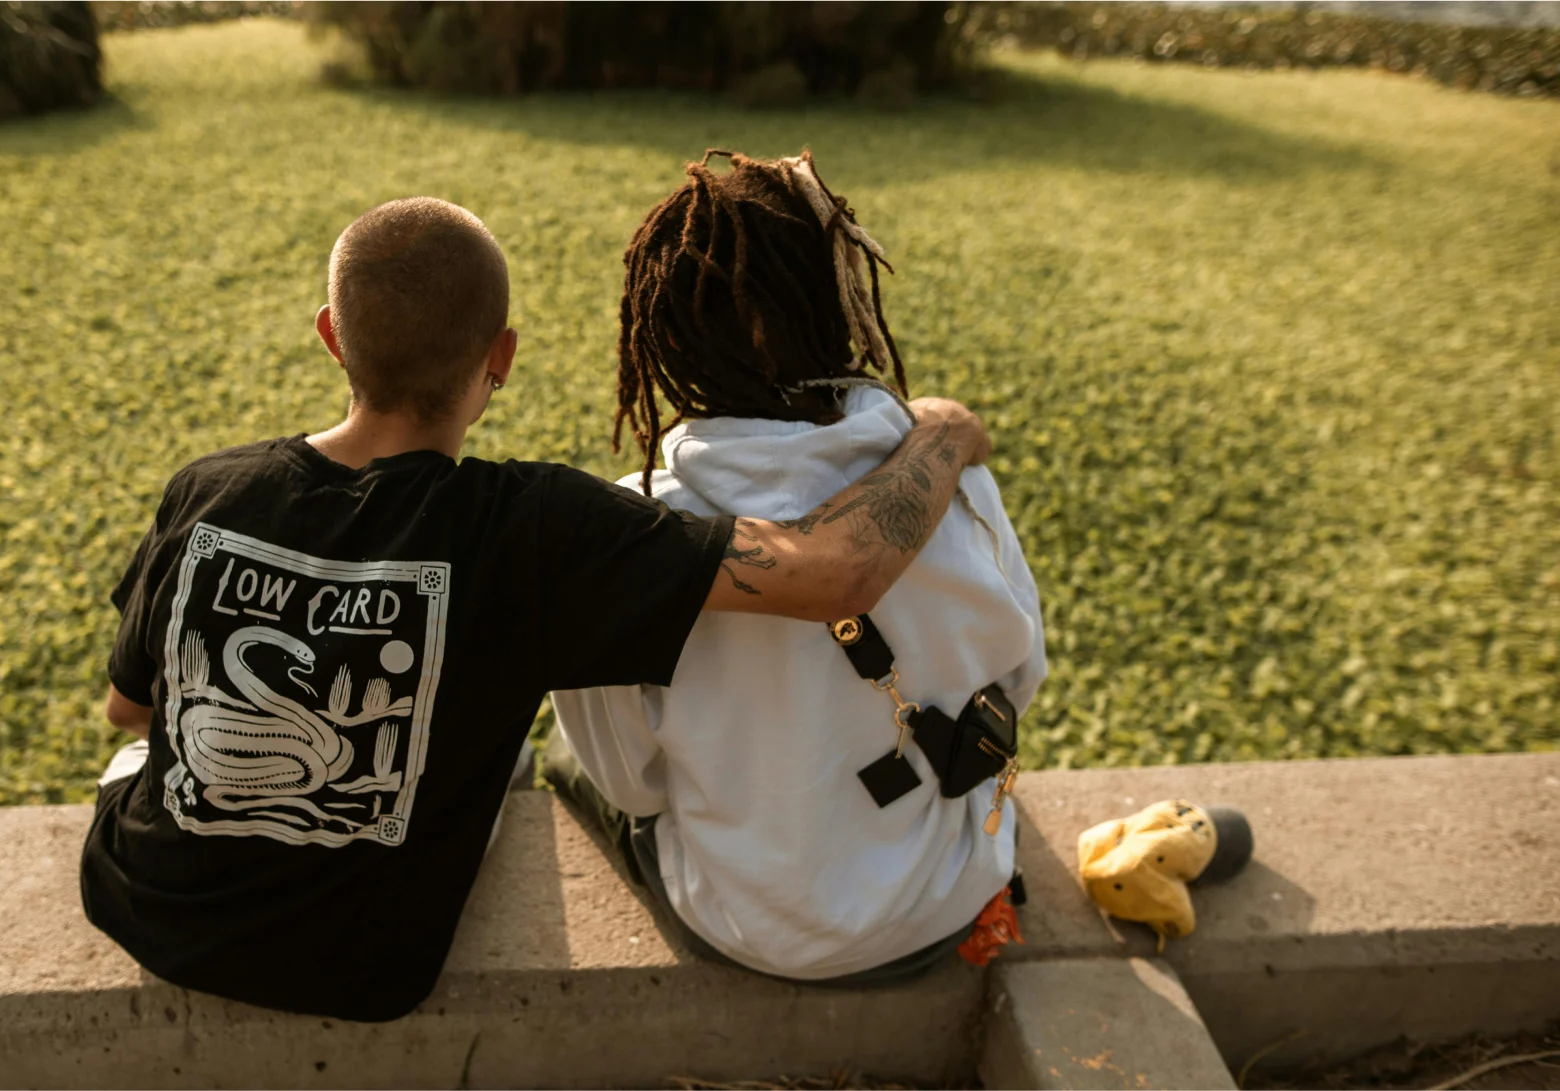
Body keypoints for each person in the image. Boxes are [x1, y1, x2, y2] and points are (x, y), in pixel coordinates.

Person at [80, 195, 994, 1022]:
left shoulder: (207, 489)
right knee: (511, 760)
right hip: (364, 969)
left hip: (145, 906)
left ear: (331, 336)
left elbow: (132, 708)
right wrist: (943, 431)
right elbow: (835, 574)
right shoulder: (537, 530)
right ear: (502, 356)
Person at [548, 150, 1047, 984]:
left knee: (563, 757)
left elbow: (634, 787)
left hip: (748, 927)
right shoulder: (948, 472)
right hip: (949, 895)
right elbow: (1020, 678)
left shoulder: (632, 533)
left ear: (663, 338)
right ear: (844, 301)